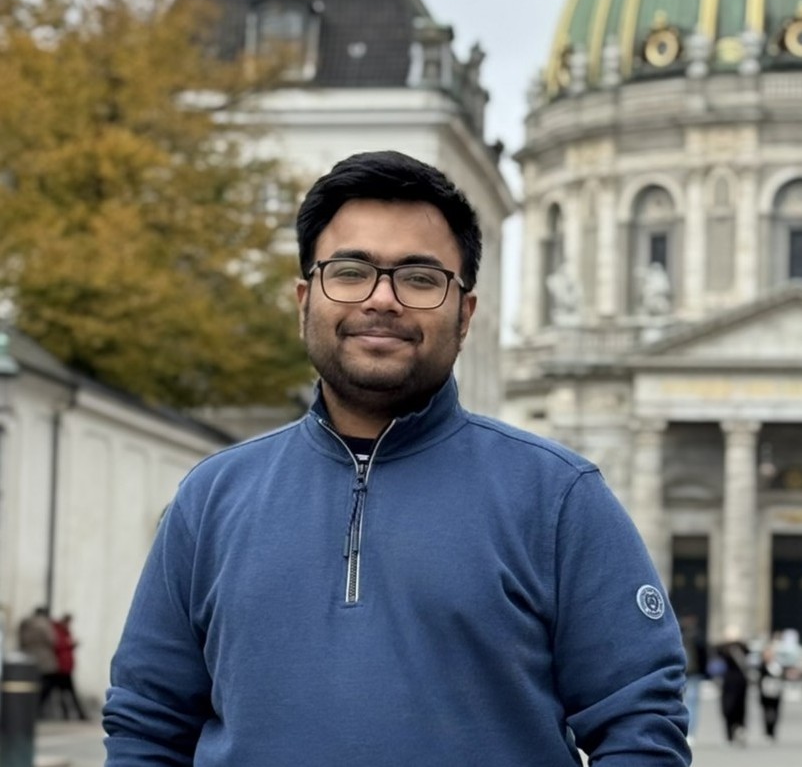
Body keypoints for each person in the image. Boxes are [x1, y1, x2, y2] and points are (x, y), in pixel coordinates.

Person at [103, 151, 690, 765]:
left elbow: (640, 726)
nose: (382, 299)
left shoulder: (560, 498)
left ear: (465, 314)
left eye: (419, 277)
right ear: (304, 299)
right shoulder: (212, 498)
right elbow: (147, 724)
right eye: (351, 271)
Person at [18, 605, 59, 715]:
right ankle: (37, 708)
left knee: (28, 685)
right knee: (46, 683)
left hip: (27, 656)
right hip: (43, 657)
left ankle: (28, 707)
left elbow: (21, 640)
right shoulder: (45, 624)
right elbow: (52, 640)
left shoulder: (26, 622)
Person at [715, 629, 750, 745]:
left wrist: (737, 643)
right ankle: (729, 734)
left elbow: (748, 652)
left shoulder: (742, 648)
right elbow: (717, 651)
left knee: (740, 708)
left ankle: (740, 729)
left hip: (740, 682)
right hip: (728, 682)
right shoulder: (725, 649)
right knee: (727, 708)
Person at [53, 613, 88, 720]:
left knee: (64, 692)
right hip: (61, 667)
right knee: (69, 693)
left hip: (65, 667)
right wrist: (70, 644)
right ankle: (79, 714)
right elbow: (58, 646)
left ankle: (68, 714)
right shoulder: (58, 632)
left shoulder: (65, 632)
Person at [679, 613, 707, 745]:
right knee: (692, 704)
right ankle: (690, 733)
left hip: (684, 673)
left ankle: (686, 732)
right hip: (693, 673)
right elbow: (704, 656)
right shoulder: (698, 636)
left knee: (685, 703)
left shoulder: (679, 635)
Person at [757, 643, 784, 741]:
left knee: (775, 712)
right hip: (765, 692)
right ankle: (767, 731)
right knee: (766, 712)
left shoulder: (777, 665)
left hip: (775, 692)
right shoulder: (762, 665)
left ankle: (772, 731)